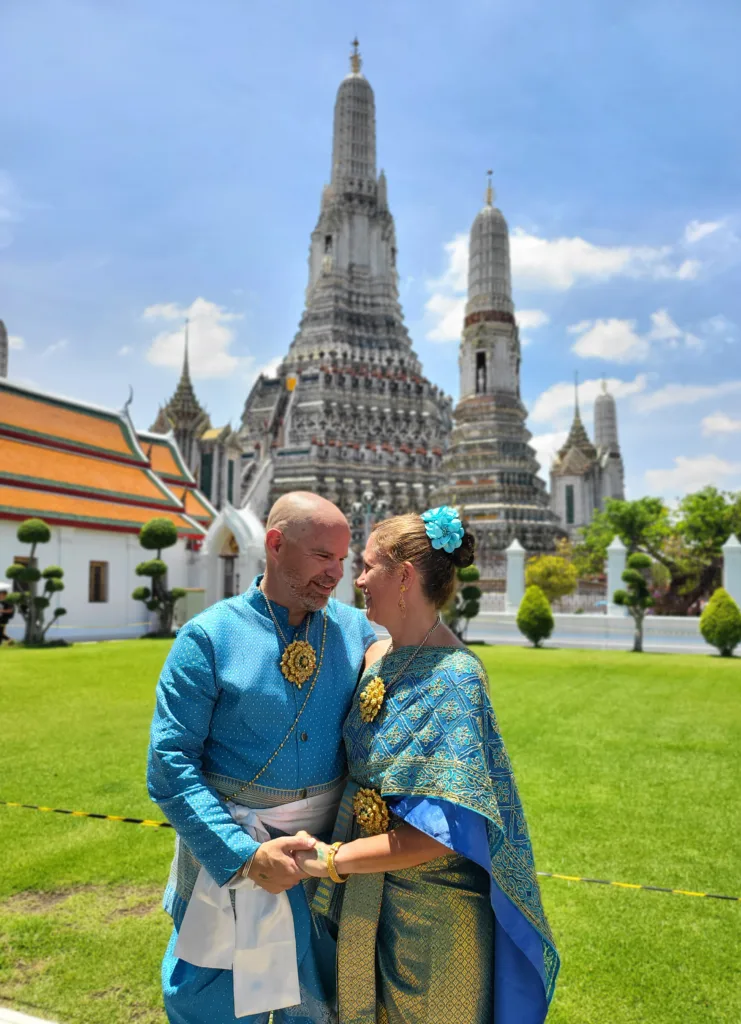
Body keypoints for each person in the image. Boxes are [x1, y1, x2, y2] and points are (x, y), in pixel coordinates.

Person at [295, 507, 560, 1024]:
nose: (359, 578)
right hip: (369, 896)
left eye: (369, 566)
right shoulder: (375, 655)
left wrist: (331, 861)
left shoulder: (456, 676)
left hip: (436, 919)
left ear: (404, 576)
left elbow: (439, 835)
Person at [147, 492, 377, 1024]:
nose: (337, 574)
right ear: (275, 545)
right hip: (228, 853)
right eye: (323, 556)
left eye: (344, 560)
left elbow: (427, 658)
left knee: (318, 1006)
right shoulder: (208, 638)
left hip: (322, 863)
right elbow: (170, 766)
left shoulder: (355, 631)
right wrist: (246, 857)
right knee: (211, 1006)